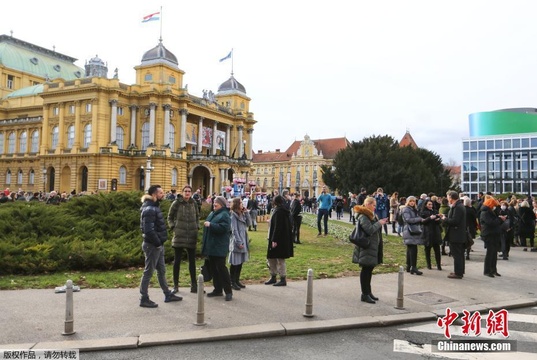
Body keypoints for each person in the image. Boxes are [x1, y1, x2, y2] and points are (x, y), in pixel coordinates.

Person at [139, 185, 183, 308]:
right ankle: (144, 298)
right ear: (154, 195)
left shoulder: (153, 207)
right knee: (148, 272)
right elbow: (148, 230)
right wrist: (158, 242)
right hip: (152, 245)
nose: (163, 194)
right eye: (161, 193)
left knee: (162, 271)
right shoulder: (149, 209)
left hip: (157, 245)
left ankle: (167, 294)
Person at [352, 196, 387, 304]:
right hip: (366, 247)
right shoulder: (363, 216)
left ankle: (368, 292)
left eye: (375, 205)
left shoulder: (370, 215)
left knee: (369, 270)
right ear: (367, 204)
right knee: (366, 270)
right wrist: (379, 223)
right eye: (373, 205)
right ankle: (364, 294)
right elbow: (369, 230)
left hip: (371, 246)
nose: (374, 207)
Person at [167, 185, 200, 294]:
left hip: (191, 234)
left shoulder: (193, 203)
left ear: (191, 193)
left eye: (189, 191)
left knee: (192, 262)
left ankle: (194, 285)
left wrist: (197, 226)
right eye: (185, 191)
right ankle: (176, 285)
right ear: (182, 192)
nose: (187, 193)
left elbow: (197, 217)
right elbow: (170, 217)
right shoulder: (176, 203)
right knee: (177, 261)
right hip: (179, 235)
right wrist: (173, 227)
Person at [202, 196, 233, 301]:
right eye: (214, 203)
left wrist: (211, 225)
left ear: (222, 205)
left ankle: (228, 291)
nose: (214, 204)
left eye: (216, 203)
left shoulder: (224, 215)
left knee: (221, 269)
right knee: (214, 269)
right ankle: (218, 289)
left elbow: (224, 228)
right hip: (211, 246)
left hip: (219, 246)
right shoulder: (213, 213)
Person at [265, 195, 293, 286]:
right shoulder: (284, 211)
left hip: (277, 238)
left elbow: (278, 226)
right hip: (281, 238)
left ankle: (282, 278)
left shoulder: (279, 211)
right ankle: (274, 276)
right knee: (272, 257)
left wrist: (274, 239)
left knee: (279, 259)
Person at [440, 191, 466, 279]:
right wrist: (446, 216)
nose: (447, 199)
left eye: (448, 197)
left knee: (457, 254)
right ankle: (459, 271)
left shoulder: (458, 207)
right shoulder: (458, 205)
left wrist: (445, 219)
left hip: (456, 234)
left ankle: (458, 273)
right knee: (459, 253)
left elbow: (455, 221)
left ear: (451, 197)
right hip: (457, 234)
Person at [480, 197, 506, 278]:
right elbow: (491, 223)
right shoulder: (485, 212)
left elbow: (494, 219)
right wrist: (500, 219)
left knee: (494, 253)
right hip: (488, 234)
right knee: (490, 253)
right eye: (494, 205)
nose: (495, 207)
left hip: (493, 234)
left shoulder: (490, 211)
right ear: (490, 205)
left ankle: (493, 270)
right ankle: (487, 271)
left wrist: (499, 217)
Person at [229, 197, 251, 291]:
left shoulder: (242, 214)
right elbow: (234, 230)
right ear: (237, 204)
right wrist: (238, 242)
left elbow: (249, 224)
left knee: (240, 262)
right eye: (241, 203)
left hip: (243, 239)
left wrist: (246, 213)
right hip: (237, 241)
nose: (243, 204)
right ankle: (232, 281)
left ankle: (236, 280)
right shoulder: (233, 215)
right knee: (235, 262)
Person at [401, 196, 425, 275]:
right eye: (411, 201)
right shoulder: (406, 209)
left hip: (412, 231)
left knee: (410, 249)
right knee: (413, 249)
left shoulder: (414, 209)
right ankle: (413, 267)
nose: (412, 203)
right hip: (409, 231)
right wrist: (419, 219)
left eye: (413, 201)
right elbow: (408, 219)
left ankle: (409, 266)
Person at [420, 199, 442, 270]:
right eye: (429, 204)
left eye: (431, 204)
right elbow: (422, 222)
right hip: (427, 232)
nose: (430, 206)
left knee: (437, 250)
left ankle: (439, 265)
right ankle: (429, 264)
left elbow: (439, 221)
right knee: (427, 249)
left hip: (436, 232)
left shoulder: (435, 211)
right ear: (426, 205)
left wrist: (438, 220)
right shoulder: (423, 212)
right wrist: (430, 218)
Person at [464, 196, 477, 261]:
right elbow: (474, 219)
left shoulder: (462, 209)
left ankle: (463, 252)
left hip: (463, 226)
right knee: (469, 240)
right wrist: (475, 227)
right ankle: (467, 254)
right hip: (470, 226)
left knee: (463, 240)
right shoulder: (471, 210)